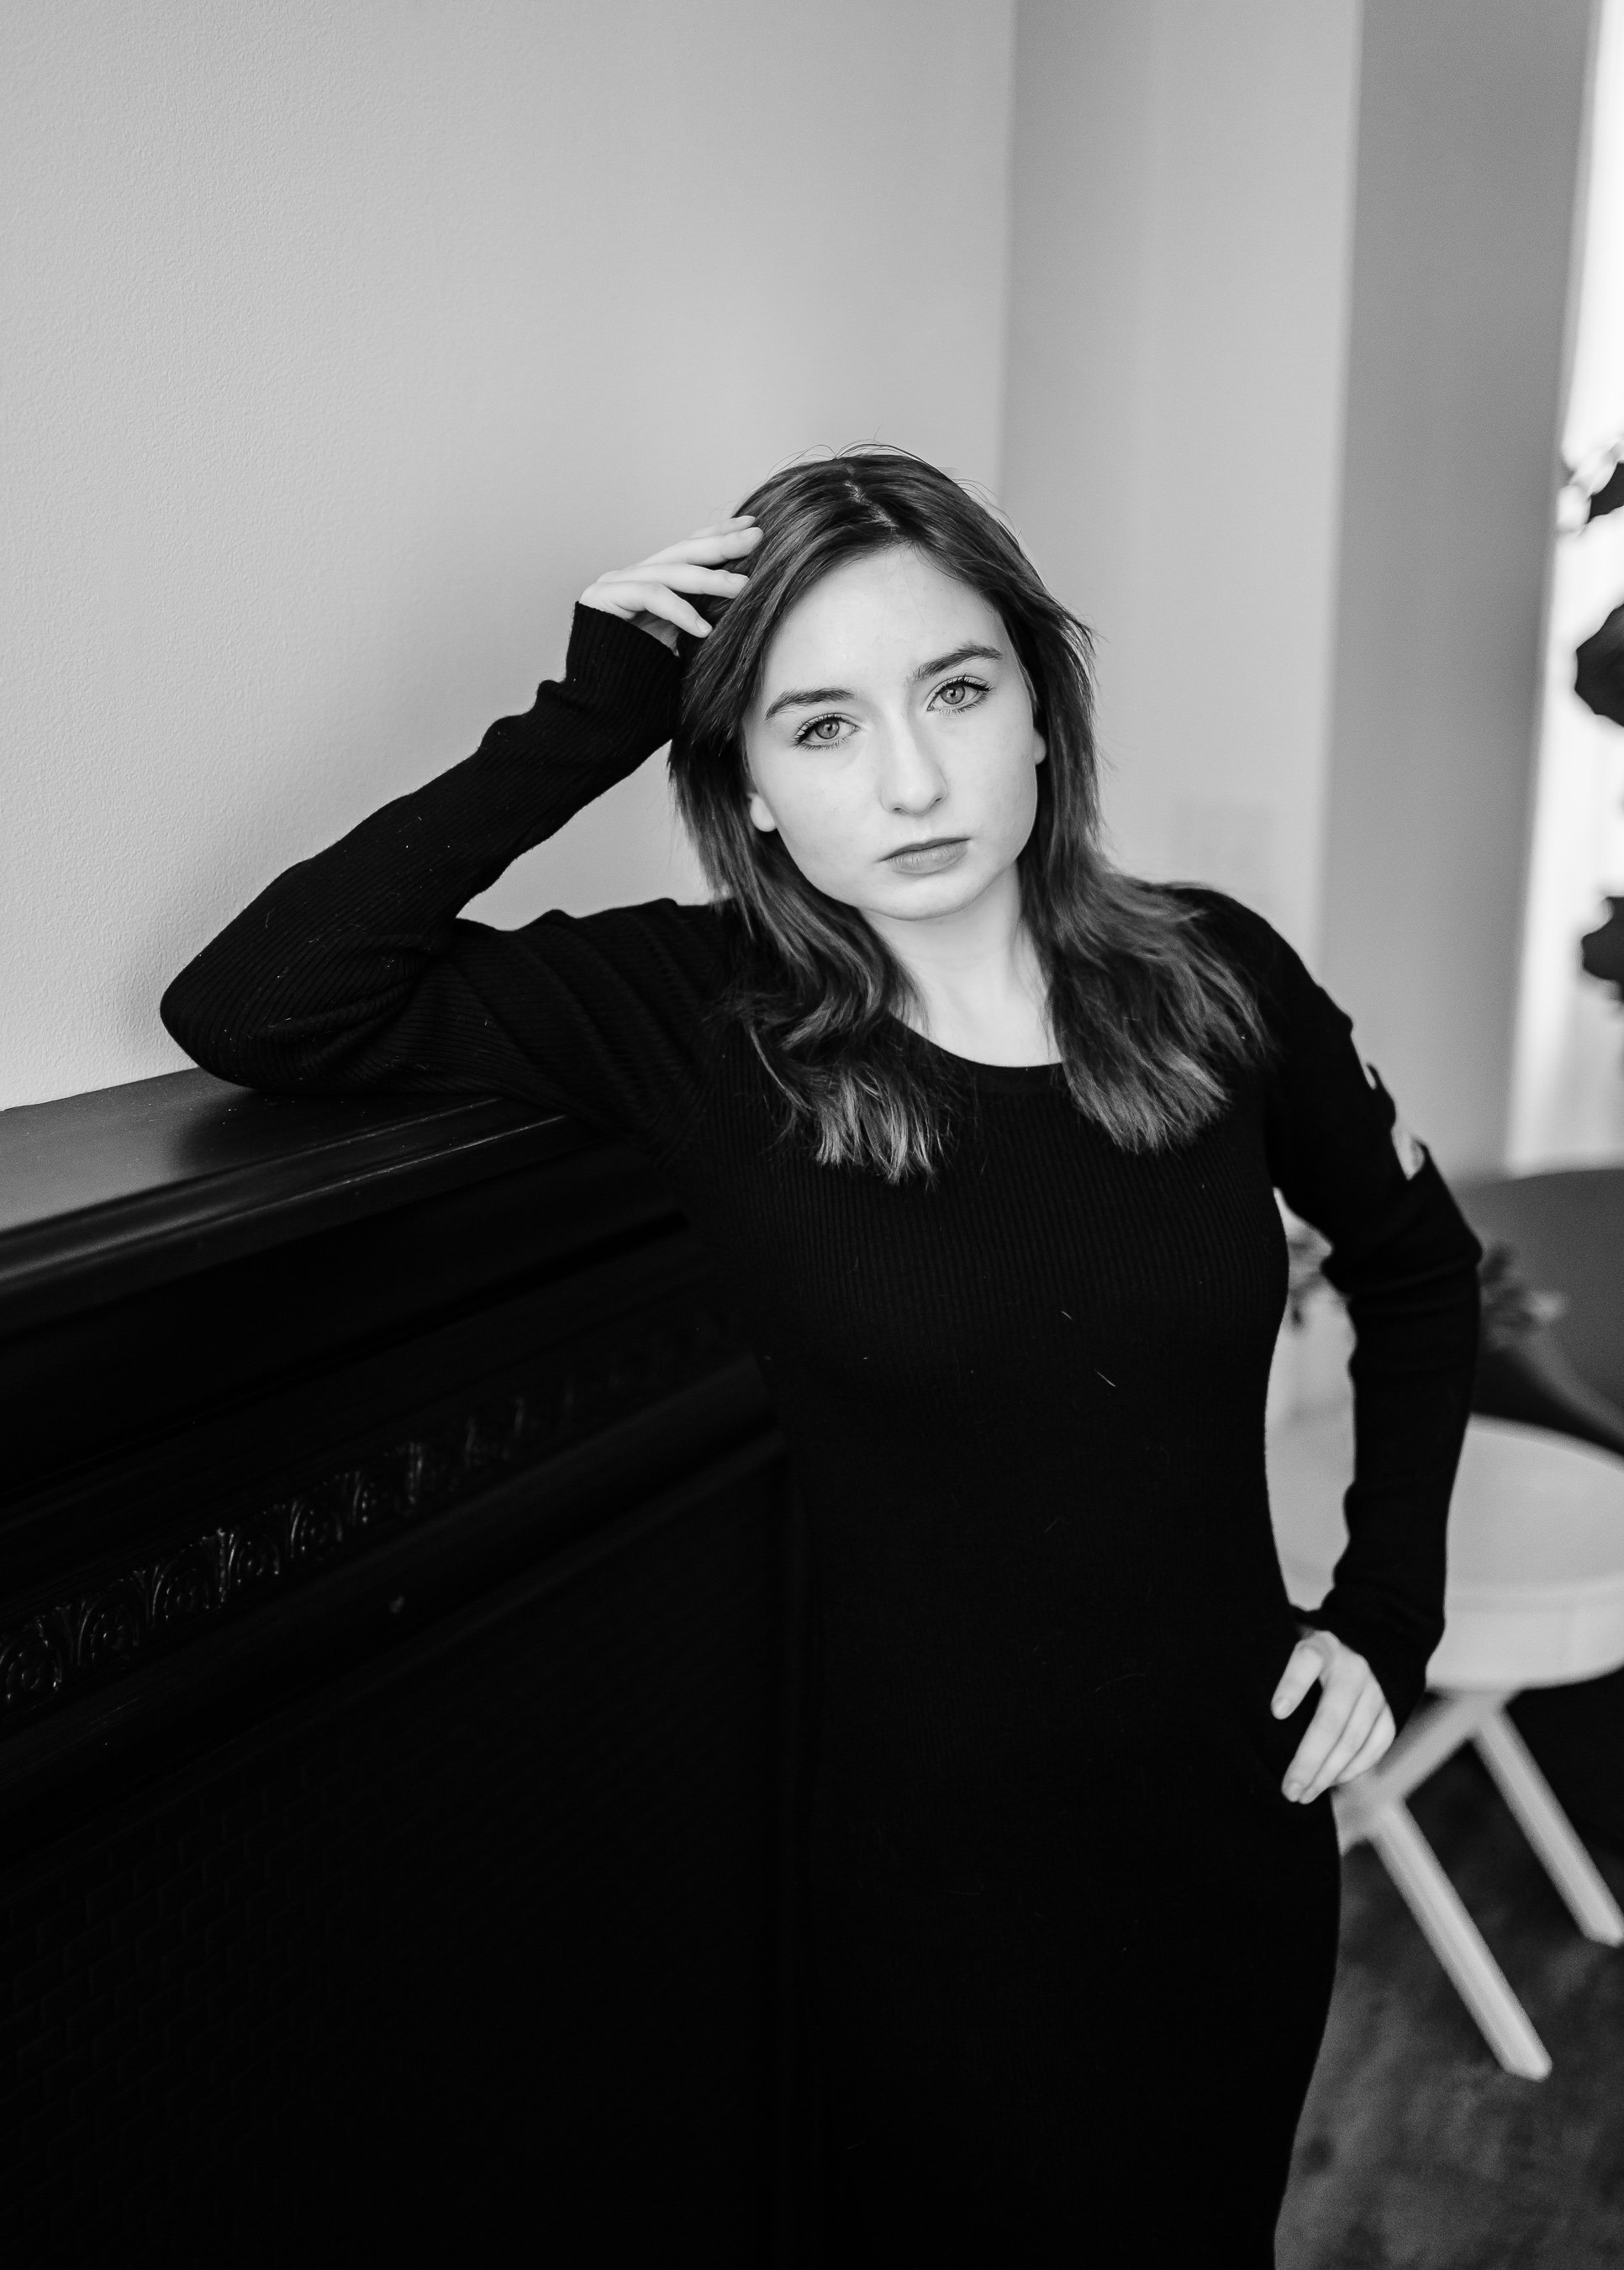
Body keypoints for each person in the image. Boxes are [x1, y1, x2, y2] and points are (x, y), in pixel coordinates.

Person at [161, 447, 1482, 2265]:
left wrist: (1385, 1612)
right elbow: (256, 1005)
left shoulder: (1217, 980)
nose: (916, 779)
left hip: (1223, 1831)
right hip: (924, 1882)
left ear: (1039, 710)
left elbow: (1421, 1274)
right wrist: (589, 717)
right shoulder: (702, 1019)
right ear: (750, 790)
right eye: (821, 726)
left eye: (956, 692)